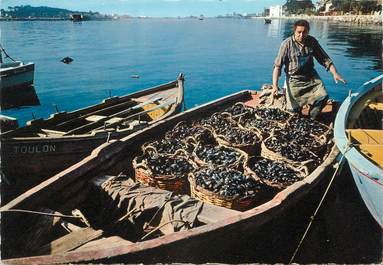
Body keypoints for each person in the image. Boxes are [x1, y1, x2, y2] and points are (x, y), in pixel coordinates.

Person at [272, 19, 346, 119]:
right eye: (299, 32)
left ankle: (312, 117)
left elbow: (324, 59)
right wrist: (275, 86)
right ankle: (296, 109)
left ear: (308, 32)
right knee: (293, 112)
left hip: (311, 77)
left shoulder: (312, 42)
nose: (301, 35)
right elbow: (277, 67)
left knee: (323, 97)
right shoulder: (286, 44)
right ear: (294, 31)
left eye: (304, 32)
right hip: (294, 80)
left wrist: (335, 73)